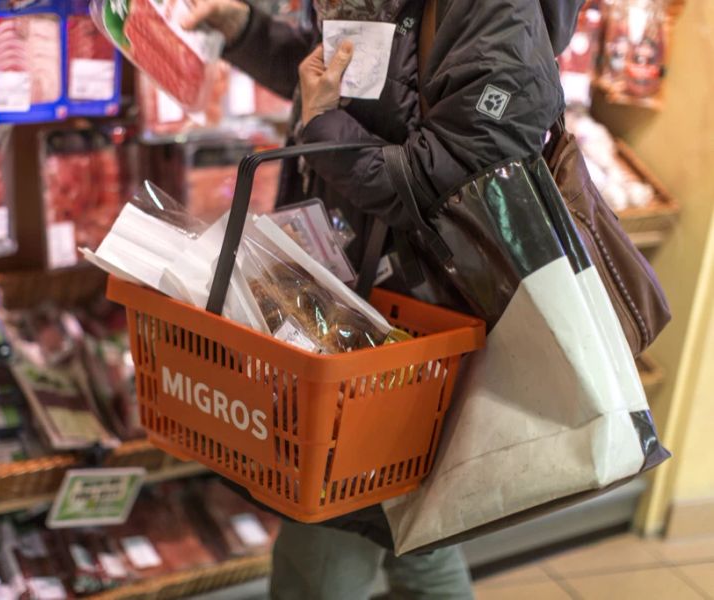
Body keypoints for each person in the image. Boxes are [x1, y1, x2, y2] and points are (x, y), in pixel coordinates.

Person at [183, 0, 582, 597]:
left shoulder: (497, 14)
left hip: (414, 330)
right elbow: (343, 74)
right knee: (409, 526)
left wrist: (322, 128)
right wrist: (245, 32)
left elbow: (446, 179)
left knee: (327, 539)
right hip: (364, 303)